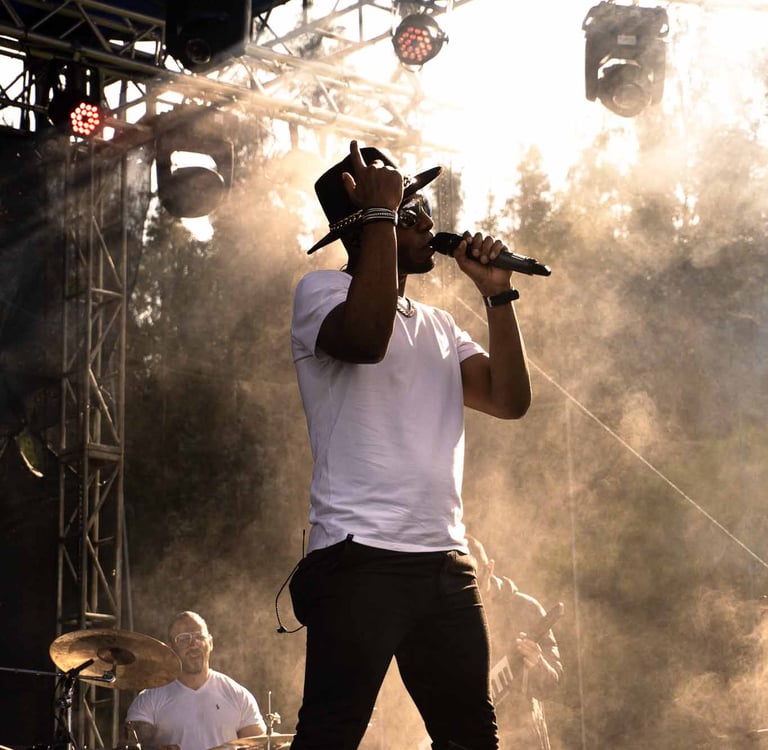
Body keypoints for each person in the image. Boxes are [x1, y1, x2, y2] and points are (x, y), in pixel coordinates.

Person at [288, 140, 533, 750]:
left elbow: (509, 400)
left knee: (472, 737)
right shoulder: (320, 294)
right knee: (330, 736)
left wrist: (497, 293)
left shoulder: (440, 326)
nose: (428, 222)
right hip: (358, 557)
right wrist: (379, 213)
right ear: (367, 224)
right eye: (409, 210)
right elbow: (364, 342)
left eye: (422, 208)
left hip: (443, 561)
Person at [465, 535, 564, 750]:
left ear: (489, 570)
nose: (469, 596)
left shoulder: (526, 609)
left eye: (476, 585)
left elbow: (552, 685)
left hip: (523, 740)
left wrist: (538, 664)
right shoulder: (446, 614)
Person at [124, 611, 266, 750]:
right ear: (170, 648)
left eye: (199, 636)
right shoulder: (149, 698)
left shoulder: (238, 696)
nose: (193, 644)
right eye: (184, 638)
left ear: (210, 643)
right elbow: (131, 746)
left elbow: (260, 744)